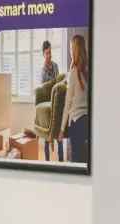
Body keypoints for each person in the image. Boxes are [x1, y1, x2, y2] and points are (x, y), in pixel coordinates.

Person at [59, 35, 90, 164]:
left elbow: (68, 104)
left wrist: (61, 129)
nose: (70, 52)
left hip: (76, 123)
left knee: (76, 161)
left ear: (76, 50)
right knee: (85, 160)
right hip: (87, 120)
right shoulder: (87, 72)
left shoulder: (73, 73)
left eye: (71, 48)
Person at [40, 40, 63, 162]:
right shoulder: (43, 71)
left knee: (59, 135)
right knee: (47, 137)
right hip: (49, 104)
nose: (49, 55)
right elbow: (44, 90)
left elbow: (58, 82)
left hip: (57, 102)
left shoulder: (55, 66)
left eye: (50, 52)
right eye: (47, 53)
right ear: (43, 54)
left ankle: (61, 162)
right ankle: (47, 161)